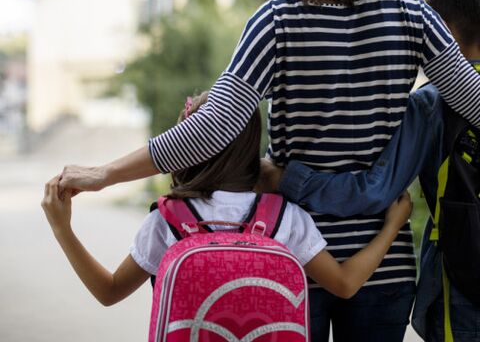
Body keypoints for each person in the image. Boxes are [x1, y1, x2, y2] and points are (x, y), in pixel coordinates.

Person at [58, 0, 480, 341]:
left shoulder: (277, 20)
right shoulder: (413, 15)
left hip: (292, 254)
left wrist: (105, 173)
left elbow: (211, 128)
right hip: (384, 261)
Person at [41, 93, 413, 317]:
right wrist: (392, 227)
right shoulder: (284, 217)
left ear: (184, 149)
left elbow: (108, 292)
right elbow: (346, 285)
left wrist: (62, 228)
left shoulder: (168, 221)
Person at [260, 0, 480, 341]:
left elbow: (374, 190)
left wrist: (283, 179)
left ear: (444, 32)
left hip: (461, 280)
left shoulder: (434, 104)